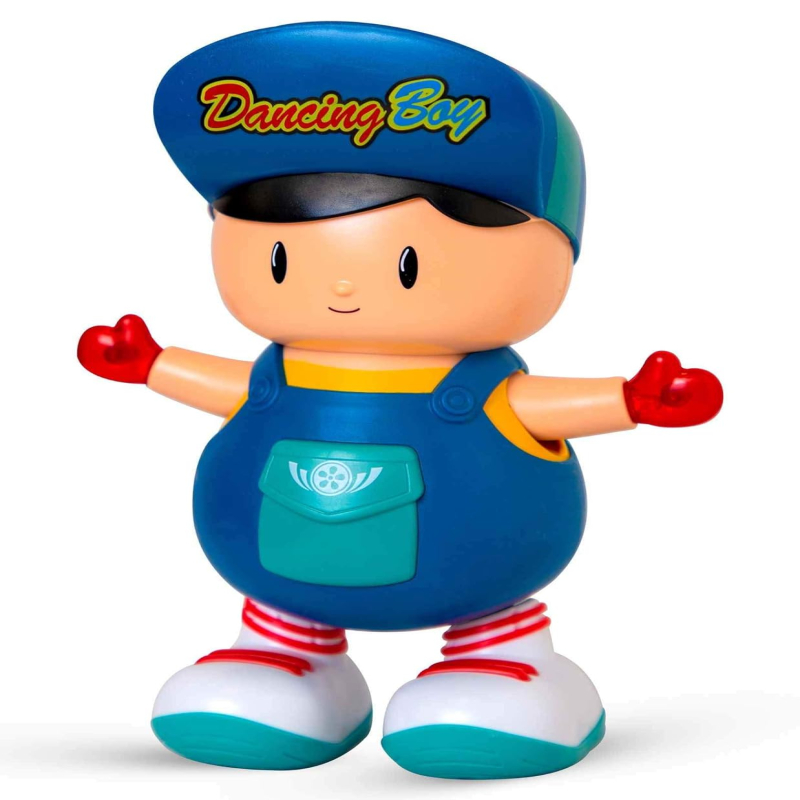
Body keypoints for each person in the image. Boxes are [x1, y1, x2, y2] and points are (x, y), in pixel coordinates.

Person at [77, 22, 723, 779]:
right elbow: (232, 391)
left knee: (490, 636)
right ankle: (285, 663)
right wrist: (151, 365)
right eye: (280, 254)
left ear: (554, 253)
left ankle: (505, 669)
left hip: (483, 582)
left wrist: (634, 401)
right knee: (278, 627)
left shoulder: (483, 386)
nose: (340, 283)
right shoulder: (276, 372)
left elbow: (541, 406)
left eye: (406, 261)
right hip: (278, 584)